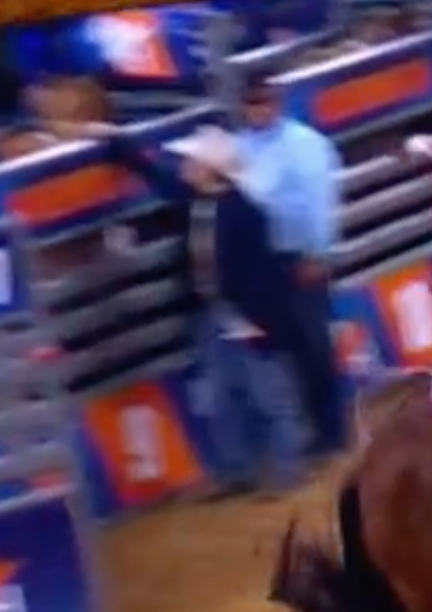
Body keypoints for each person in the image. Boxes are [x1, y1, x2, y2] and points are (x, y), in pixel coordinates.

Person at [93, 123, 311, 497]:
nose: (185, 164)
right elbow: (154, 174)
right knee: (220, 397)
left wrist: (260, 323)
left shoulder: (245, 213)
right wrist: (118, 144)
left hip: (246, 316)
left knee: (269, 396)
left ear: (212, 169)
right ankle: (238, 472)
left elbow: (264, 274)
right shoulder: (197, 201)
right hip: (212, 313)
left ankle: (287, 472)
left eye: (193, 159)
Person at [232, 72, 348, 458]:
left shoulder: (304, 144)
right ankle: (313, 430)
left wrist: (318, 252)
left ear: (276, 102)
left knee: (314, 346)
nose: (259, 109)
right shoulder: (240, 147)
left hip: (302, 256)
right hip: (263, 263)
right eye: (252, 103)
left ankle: (333, 429)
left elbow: (321, 202)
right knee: (288, 351)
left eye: (264, 101)